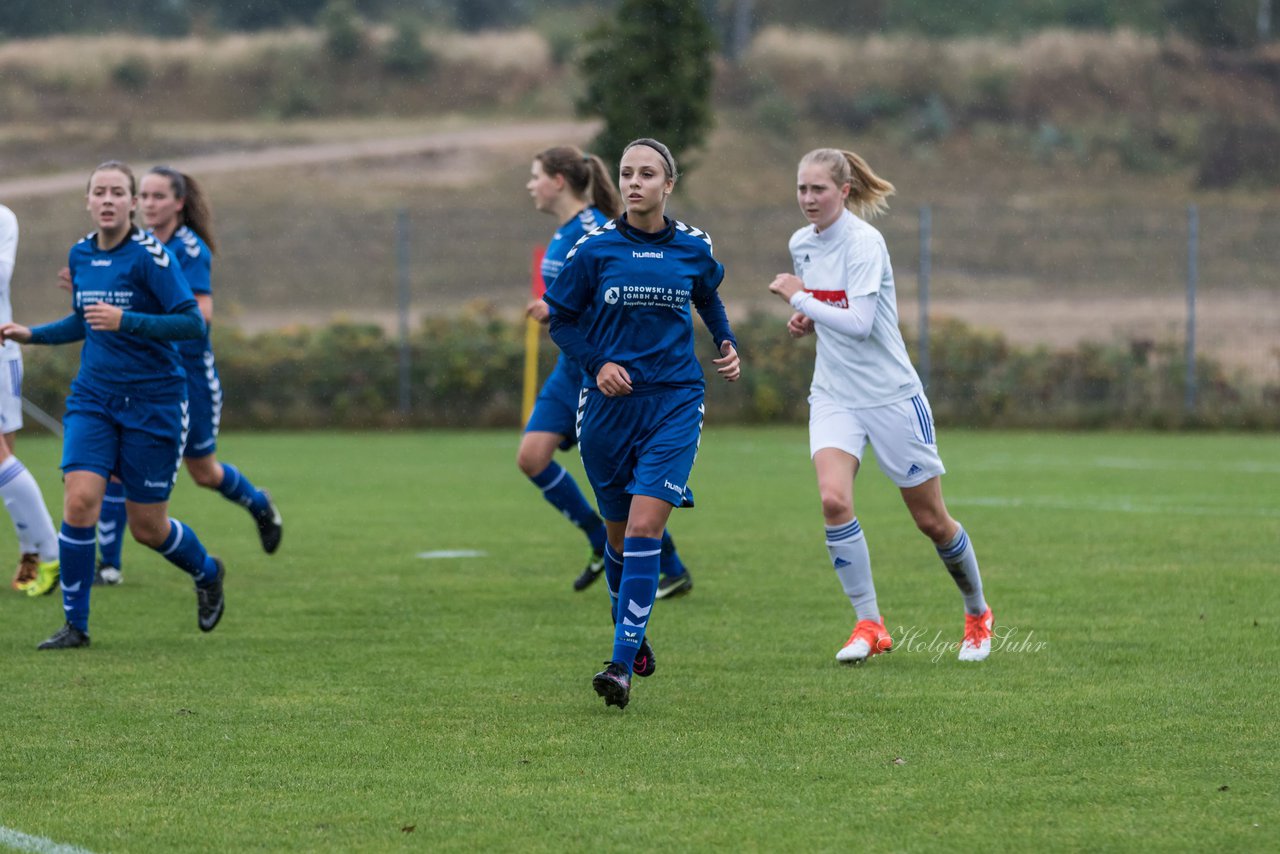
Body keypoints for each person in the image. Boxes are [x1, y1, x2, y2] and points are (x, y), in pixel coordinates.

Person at [767, 147, 993, 664]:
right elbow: (833, 312)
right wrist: (809, 318)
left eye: (818, 189)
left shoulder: (865, 242)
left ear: (843, 192)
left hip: (891, 396)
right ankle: (870, 624)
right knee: (833, 501)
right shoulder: (801, 243)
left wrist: (799, 299)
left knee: (932, 521)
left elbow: (862, 323)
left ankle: (977, 613)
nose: (807, 199)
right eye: (801, 188)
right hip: (834, 395)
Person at [546, 138, 741, 709]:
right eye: (627, 173)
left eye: (646, 174)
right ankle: (632, 632)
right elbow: (561, 321)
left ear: (668, 184)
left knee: (642, 529)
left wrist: (725, 341)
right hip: (607, 411)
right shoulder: (594, 248)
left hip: (675, 402)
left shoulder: (693, 245)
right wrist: (598, 363)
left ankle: (621, 664)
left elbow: (708, 296)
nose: (634, 182)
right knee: (617, 539)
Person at [0, 160, 227, 650]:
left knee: (148, 527)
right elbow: (85, 321)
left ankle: (207, 571)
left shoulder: (151, 258)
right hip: (94, 399)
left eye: (117, 192)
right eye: (98, 191)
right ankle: (75, 625)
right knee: (80, 501)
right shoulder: (81, 254)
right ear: (87, 201)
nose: (107, 199)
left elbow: (190, 323)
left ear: (130, 204)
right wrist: (31, 334)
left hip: (155, 402)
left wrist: (129, 320)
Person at [88, 167, 281, 586]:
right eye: (148, 196)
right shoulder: (130, 246)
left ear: (179, 203)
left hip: (188, 376)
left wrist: (137, 318)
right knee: (119, 466)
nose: (151, 204)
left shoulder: (189, 248)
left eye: (160, 197)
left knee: (204, 472)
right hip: (141, 378)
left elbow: (201, 314)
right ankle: (109, 565)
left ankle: (258, 504)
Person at [520, 145, 693, 597]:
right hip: (571, 366)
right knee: (531, 457)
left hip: (601, 369)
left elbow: (620, 293)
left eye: (535, 175)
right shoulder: (563, 232)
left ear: (559, 181)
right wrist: (554, 308)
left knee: (629, 486)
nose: (530, 185)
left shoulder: (597, 228)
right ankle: (603, 541)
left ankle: (666, 564)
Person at [0, 203, 61, 596]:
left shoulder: (3, 218)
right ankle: (38, 551)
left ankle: (46, 552)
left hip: (2, 351)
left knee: (3, 452)